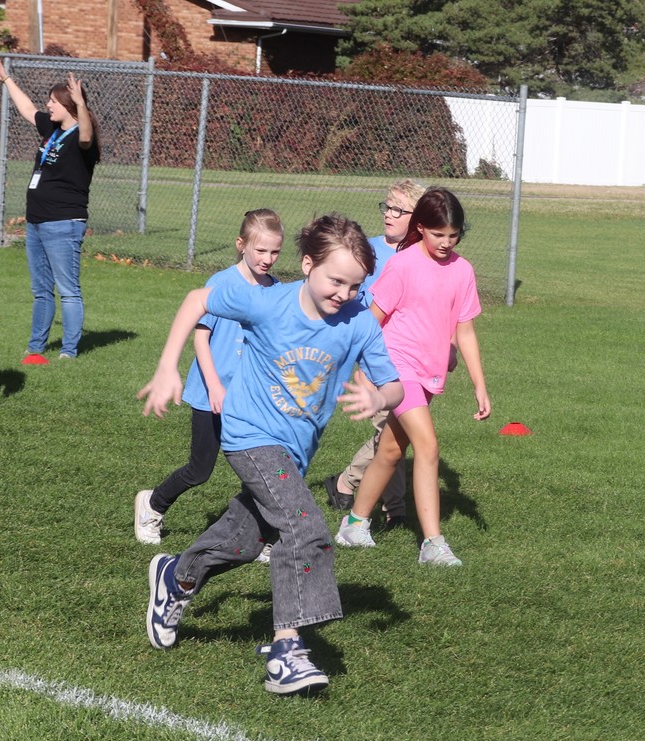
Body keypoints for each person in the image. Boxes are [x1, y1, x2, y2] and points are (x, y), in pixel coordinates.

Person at [138, 214, 403, 696]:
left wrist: (379, 399)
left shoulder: (359, 322)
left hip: (294, 453)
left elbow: (394, 385)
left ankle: (176, 577)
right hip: (249, 434)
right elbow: (197, 300)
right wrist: (166, 368)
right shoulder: (266, 303)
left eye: (354, 285)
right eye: (335, 280)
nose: (343, 293)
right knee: (305, 528)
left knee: (243, 542)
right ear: (307, 264)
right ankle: (287, 650)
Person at [335, 188, 491, 566]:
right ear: (420, 228)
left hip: (429, 372)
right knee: (428, 447)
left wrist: (480, 385)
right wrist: (362, 368)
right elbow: (374, 320)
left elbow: (465, 331)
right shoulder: (403, 265)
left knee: (390, 451)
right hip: (396, 366)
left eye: (453, 236)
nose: (445, 243)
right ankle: (432, 544)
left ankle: (353, 525)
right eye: (438, 235)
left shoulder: (462, 270)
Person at [134, 208, 283, 545]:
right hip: (210, 394)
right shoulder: (221, 283)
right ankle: (152, 504)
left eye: (275, 251)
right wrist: (215, 386)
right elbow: (201, 337)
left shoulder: (276, 290)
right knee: (200, 469)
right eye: (261, 250)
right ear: (240, 244)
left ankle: (260, 539)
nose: (268, 259)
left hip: (250, 397)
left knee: (259, 471)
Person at [323, 179, 425, 528]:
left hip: (412, 355)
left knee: (395, 433)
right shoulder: (367, 250)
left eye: (399, 209)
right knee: (393, 432)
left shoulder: (421, 255)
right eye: (388, 206)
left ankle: (392, 508)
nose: (389, 215)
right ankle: (350, 483)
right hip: (376, 354)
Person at [0, 53, 100, 363]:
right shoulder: (51, 130)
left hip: (64, 222)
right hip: (37, 221)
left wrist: (81, 103)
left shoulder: (81, 137)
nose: (47, 105)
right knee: (40, 290)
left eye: (53, 101)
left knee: (68, 289)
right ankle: (36, 347)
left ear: (68, 105)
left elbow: (87, 135)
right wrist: (6, 79)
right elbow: (26, 108)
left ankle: (68, 351)